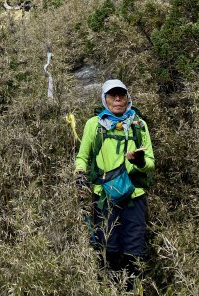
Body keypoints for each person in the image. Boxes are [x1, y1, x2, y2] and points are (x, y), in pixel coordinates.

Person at [74, 79, 155, 290]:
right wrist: (80, 173)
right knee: (108, 249)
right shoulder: (94, 125)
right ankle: (111, 288)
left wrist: (139, 162)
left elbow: (151, 164)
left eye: (121, 94)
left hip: (134, 197)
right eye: (112, 95)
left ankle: (131, 288)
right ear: (104, 99)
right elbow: (82, 157)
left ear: (128, 98)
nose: (117, 99)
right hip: (105, 197)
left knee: (134, 250)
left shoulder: (139, 125)